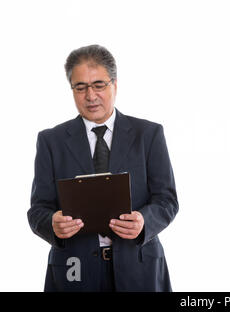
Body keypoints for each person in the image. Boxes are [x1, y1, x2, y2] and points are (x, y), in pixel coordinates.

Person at [28, 44, 178, 291]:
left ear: (114, 85)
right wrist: (52, 223)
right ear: (72, 90)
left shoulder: (148, 134)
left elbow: (167, 200)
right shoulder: (50, 141)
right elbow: (38, 210)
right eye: (81, 87)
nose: (90, 95)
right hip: (73, 270)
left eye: (99, 85)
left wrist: (144, 221)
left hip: (138, 268)